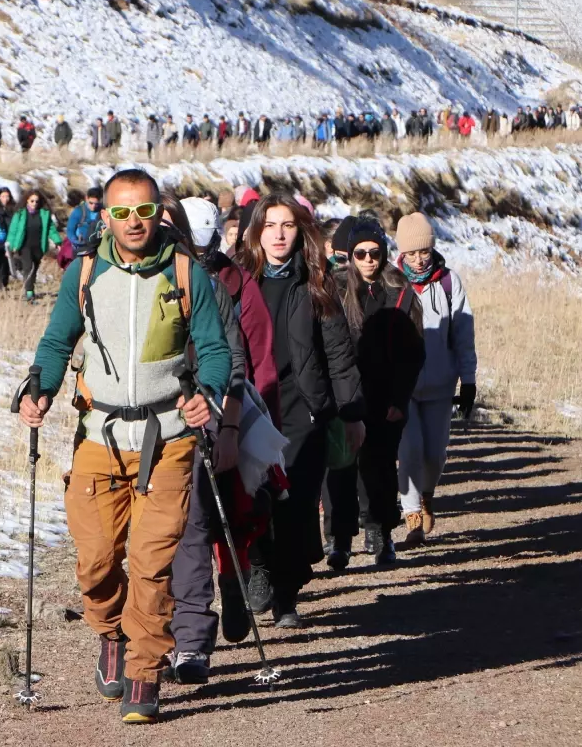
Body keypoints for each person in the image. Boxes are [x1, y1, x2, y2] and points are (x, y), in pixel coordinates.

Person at [18, 167, 230, 724]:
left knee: (152, 561)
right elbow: (58, 340)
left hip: (170, 438)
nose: (133, 222)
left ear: (159, 212)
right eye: (121, 212)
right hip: (100, 435)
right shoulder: (84, 272)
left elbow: (214, 350)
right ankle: (110, 631)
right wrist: (39, 387)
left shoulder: (187, 274)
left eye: (143, 211)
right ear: (105, 216)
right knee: (95, 562)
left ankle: (143, 673)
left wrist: (207, 393)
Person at [166, 196, 282, 685]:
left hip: (212, 418)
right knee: (172, 533)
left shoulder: (219, 288)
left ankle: (223, 596)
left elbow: (243, 358)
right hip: (148, 427)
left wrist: (231, 423)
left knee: (220, 517)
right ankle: (169, 634)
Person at [238, 193, 364, 627]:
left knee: (296, 504)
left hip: (302, 407)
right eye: (270, 225)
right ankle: (259, 568)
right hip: (251, 404)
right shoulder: (238, 280)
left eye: (287, 225)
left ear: (300, 231)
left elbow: (338, 352)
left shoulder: (316, 282)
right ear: (256, 232)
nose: (278, 234)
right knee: (252, 497)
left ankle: (287, 596)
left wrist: (350, 412)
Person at [332, 218, 425, 567]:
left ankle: (382, 532)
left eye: (375, 252)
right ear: (350, 257)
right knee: (341, 470)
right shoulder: (335, 291)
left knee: (381, 468)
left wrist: (400, 399)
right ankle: (339, 539)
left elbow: (413, 353)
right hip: (344, 394)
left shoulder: (400, 292)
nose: (369, 260)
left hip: (386, 398)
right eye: (361, 253)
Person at [395, 212, 477, 546]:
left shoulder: (448, 283)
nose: (418, 259)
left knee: (435, 454)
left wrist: (468, 380)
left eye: (424, 251)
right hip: (402, 387)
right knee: (409, 448)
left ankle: (427, 494)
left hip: (441, 384)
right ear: (401, 252)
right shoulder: (391, 282)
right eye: (411, 253)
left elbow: (463, 333)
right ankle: (411, 512)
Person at [7, 191, 62, 302]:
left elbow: (51, 229)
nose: (34, 203)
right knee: (29, 268)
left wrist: (57, 241)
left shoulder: (44, 214)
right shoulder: (20, 213)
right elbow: (13, 230)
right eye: (32, 201)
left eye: (36, 201)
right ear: (27, 200)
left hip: (38, 246)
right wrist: (11, 245)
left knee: (34, 268)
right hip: (24, 246)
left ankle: (30, 288)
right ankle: (29, 292)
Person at [64, 185, 102, 254]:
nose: (93, 206)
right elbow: (70, 230)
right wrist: (77, 242)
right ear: (86, 198)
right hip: (81, 247)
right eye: (91, 203)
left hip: (98, 247)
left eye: (96, 204)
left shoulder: (102, 211)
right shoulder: (78, 211)